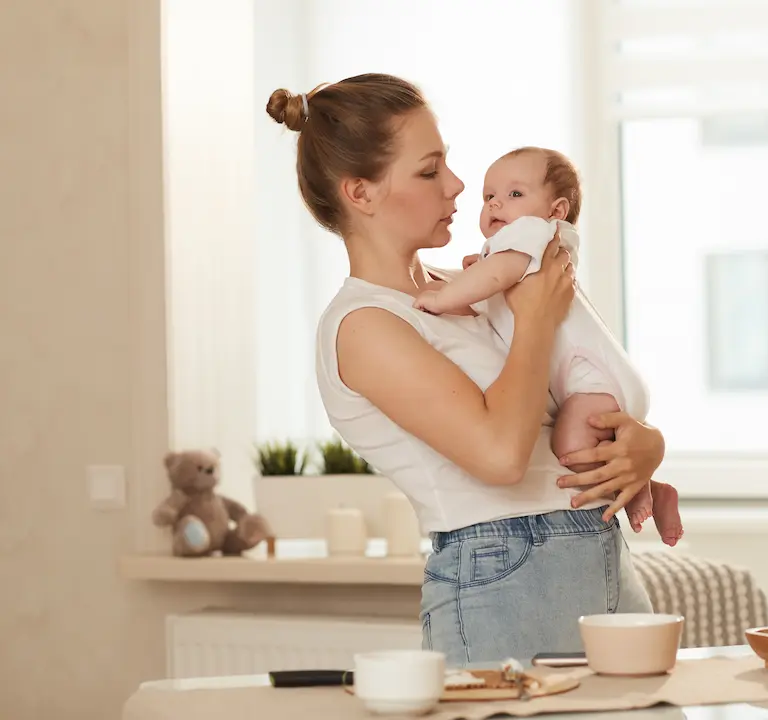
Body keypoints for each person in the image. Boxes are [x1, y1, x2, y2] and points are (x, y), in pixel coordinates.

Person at [264, 73, 664, 666]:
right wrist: (535, 320)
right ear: (361, 193)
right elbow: (501, 456)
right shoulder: (364, 325)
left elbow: (581, 379)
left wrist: (645, 446)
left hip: (599, 554)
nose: (456, 186)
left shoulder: (474, 285)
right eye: (429, 172)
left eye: (446, 164)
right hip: (503, 578)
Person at [413, 147, 683, 546]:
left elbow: (496, 277)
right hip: (585, 382)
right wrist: (466, 281)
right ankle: (648, 487)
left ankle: (637, 488)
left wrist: (442, 297)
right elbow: (494, 286)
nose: (496, 203)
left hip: (592, 381)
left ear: (556, 210)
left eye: (515, 194)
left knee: (571, 451)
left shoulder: (535, 233)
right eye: (489, 197)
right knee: (591, 447)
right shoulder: (516, 247)